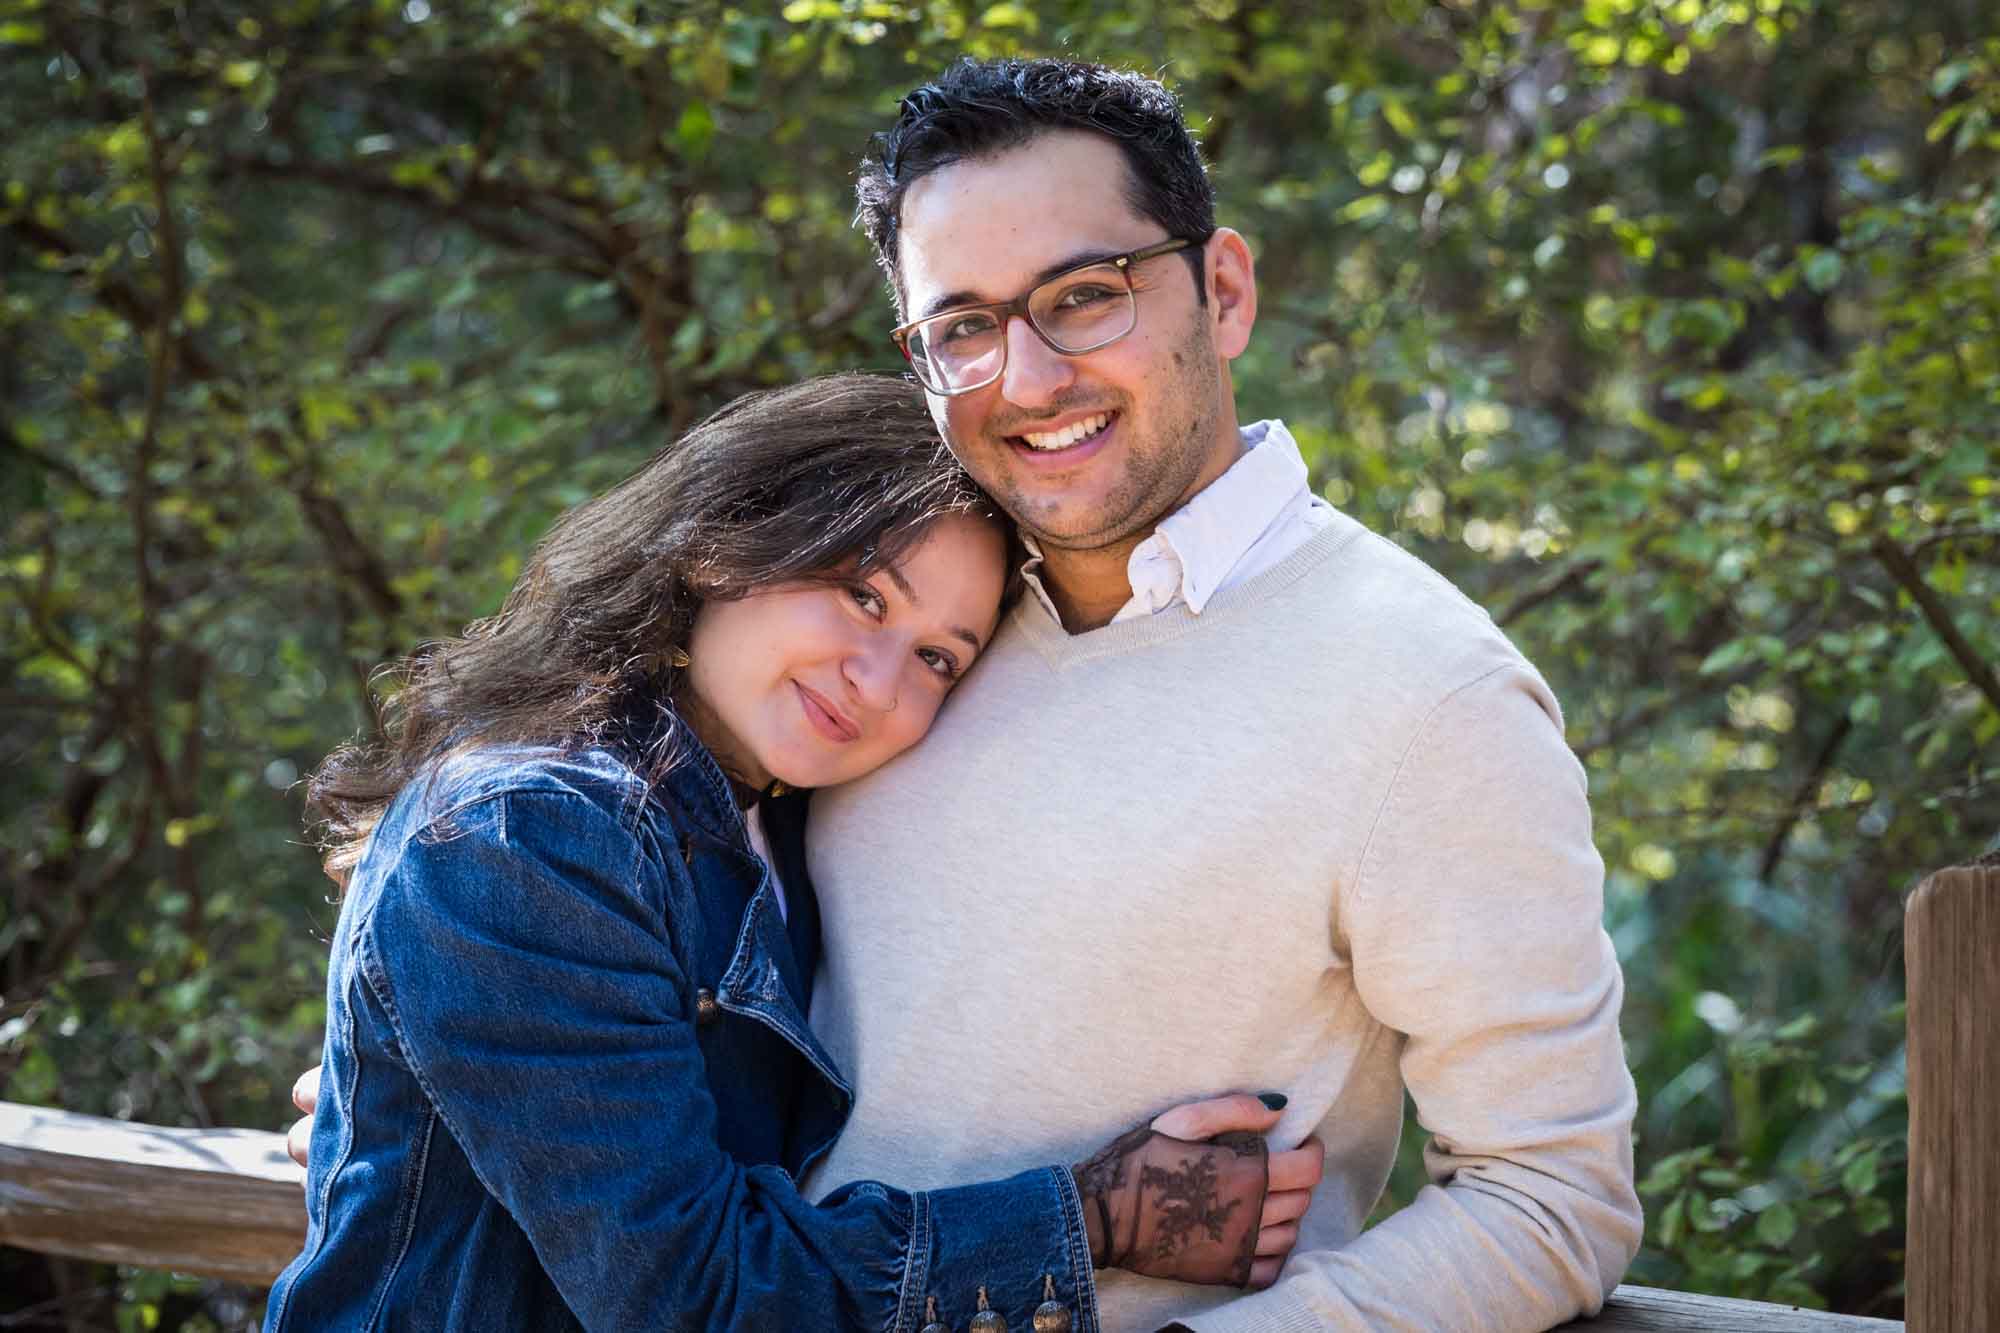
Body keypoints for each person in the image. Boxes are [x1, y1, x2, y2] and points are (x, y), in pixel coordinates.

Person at [790, 59, 1644, 1332]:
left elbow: (1547, 1195)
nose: (1025, 379)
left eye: (1084, 297)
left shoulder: (1422, 689)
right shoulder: (895, 636)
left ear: (1223, 291)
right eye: (961, 327)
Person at [265, 373, 1325, 1332]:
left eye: (937, 659)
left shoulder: (772, 823)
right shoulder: (532, 830)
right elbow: (691, 1298)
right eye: (863, 594)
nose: (877, 679)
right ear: (722, 539)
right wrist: (1095, 1220)